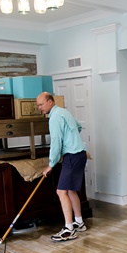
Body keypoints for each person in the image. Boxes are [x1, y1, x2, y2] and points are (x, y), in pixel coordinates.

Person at [36, 92, 88, 241]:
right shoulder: (64, 112)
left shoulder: (55, 117)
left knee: (61, 192)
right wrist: (72, 141)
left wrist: (51, 164)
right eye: (38, 105)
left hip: (72, 156)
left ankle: (68, 229)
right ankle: (79, 222)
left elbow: (56, 141)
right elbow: (78, 127)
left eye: (41, 104)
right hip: (79, 154)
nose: (40, 108)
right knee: (71, 190)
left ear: (50, 102)